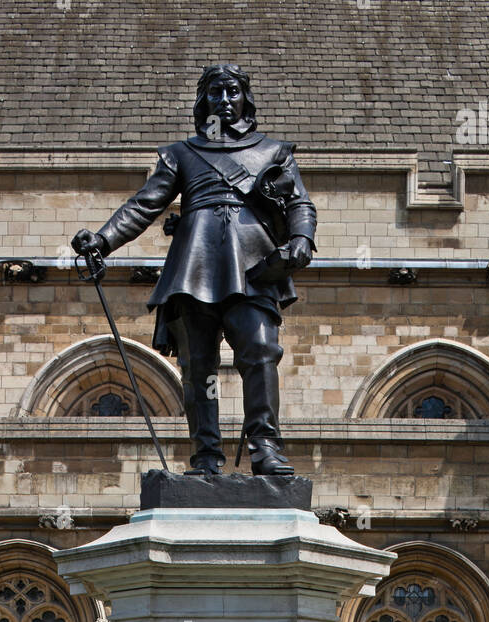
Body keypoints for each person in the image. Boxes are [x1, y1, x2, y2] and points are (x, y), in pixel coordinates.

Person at [73, 63, 316, 476]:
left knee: (259, 351)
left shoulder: (274, 152)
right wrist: (104, 239)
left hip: (252, 264)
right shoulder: (181, 154)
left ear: (245, 99)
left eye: (232, 91)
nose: (224, 100)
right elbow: (144, 205)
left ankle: (265, 446)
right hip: (195, 265)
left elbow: (299, 204)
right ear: (204, 102)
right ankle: (205, 456)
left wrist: (301, 239)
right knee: (198, 363)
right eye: (216, 93)